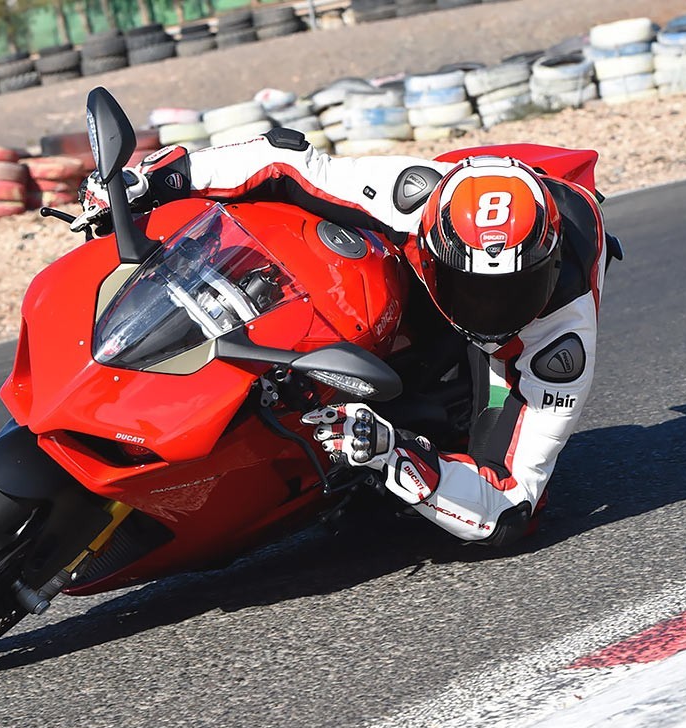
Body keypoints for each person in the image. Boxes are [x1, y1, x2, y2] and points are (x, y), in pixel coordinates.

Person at [74, 126, 619, 547]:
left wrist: (398, 457)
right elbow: (287, 161)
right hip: (458, 219)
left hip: (508, 340)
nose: (490, 309)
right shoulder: (412, 197)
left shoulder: (561, 338)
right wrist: (158, 176)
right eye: (472, 289)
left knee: (465, 498)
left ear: (547, 272)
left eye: (511, 292)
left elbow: (511, 504)